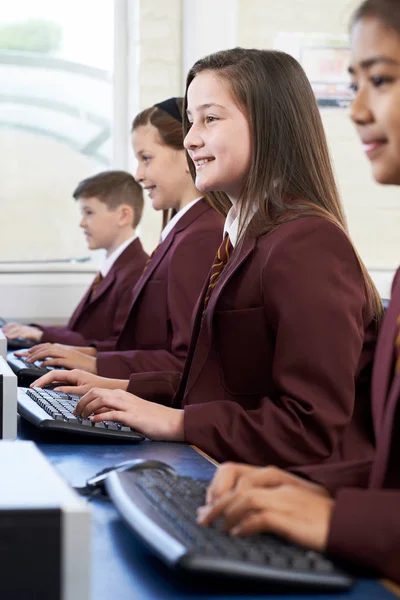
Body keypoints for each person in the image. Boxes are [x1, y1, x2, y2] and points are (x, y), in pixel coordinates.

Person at [34, 48, 381, 470]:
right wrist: (117, 384)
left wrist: (177, 422)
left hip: (288, 490)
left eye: (210, 119)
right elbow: (220, 382)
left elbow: (312, 426)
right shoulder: (242, 236)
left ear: (270, 127)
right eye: (191, 121)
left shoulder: (306, 242)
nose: (190, 138)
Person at [196, 0, 400, 584]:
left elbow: (318, 424)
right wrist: (310, 491)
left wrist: (338, 515)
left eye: (380, 80)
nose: (356, 109)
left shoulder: (307, 241)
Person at [20, 98, 227, 375]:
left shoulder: (201, 235)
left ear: (187, 152)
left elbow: (185, 362)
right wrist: (83, 355)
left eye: (146, 158)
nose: (139, 175)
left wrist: (94, 364)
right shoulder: (182, 232)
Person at [3, 170, 148, 347]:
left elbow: (117, 347)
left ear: (123, 215)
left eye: (89, 212)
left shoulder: (137, 273)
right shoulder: (113, 267)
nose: (82, 223)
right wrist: (37, 331)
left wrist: (43, 336)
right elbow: (80, 332)